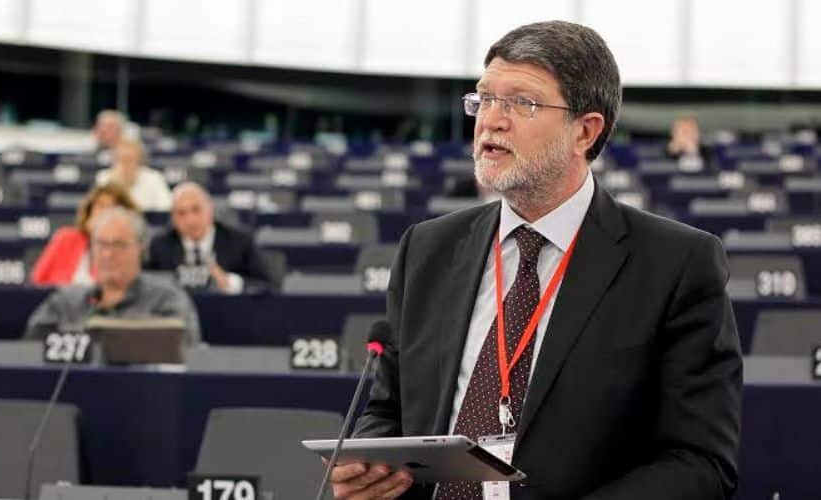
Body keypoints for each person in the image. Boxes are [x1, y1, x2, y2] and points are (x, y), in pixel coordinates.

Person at [331, 21, 742, 500]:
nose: (491, 121)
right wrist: (370, 463)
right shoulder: (427, 248)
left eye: (522, 103)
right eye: (485, 99)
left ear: (584, 132)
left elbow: (700, 462)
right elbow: (388, 410)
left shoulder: (677, 264)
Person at [25, 207, 201, 345]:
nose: (108, 254)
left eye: (119, 244)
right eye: (101, 244)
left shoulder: (167, 299)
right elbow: (29, 352)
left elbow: (185, 351)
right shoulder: (65, 302)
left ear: (141, 249)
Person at [145, 182, 276, 293]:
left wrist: (231, 283)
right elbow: (145, 285)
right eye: (181, 213)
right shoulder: (160, 246)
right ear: (173, 218)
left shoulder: (240, 242)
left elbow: (266, 285)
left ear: (210, 210)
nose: (190, 220)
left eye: (196, 210)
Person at [31, 183, 139, 286]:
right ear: (90, 211)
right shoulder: (65, 237)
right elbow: (37, 280)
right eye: (100, 206)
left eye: (111, 208)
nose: (104, 213)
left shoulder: (125, 249)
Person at [96, 138, 173, 211]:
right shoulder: (104, 178)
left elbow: (166, 207)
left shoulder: (154, 178)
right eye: (120, 159)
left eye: (129, 159)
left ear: (139, 161)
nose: (125, 164)